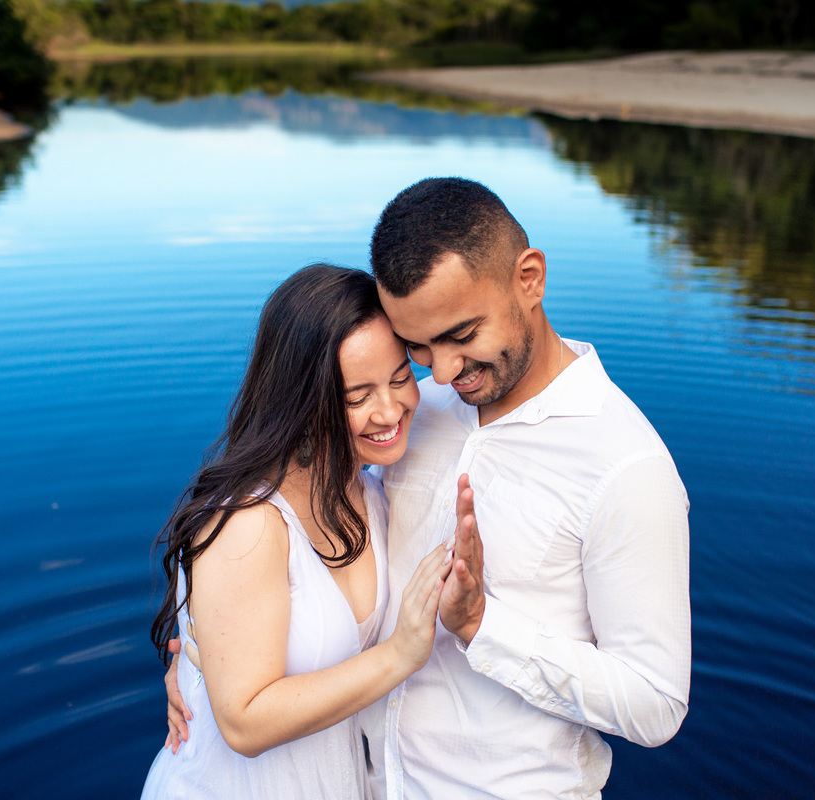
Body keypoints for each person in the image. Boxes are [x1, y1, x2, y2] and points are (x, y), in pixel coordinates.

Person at [168, 179, 692, 799]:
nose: (441, 372)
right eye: (417, 346)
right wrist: (204, 660)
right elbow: (294, 554)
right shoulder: (419, 416)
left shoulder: (624, 466)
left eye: (462, 335)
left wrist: (481, 626)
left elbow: (656, 706)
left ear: (529, 278)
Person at [141, 264, 453, 799]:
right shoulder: (248, 522)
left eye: (401, 378)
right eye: (356, 396)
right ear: (302, 401)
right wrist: (400, 653)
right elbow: (243, 722)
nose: (390, 409)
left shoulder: (369, 488)